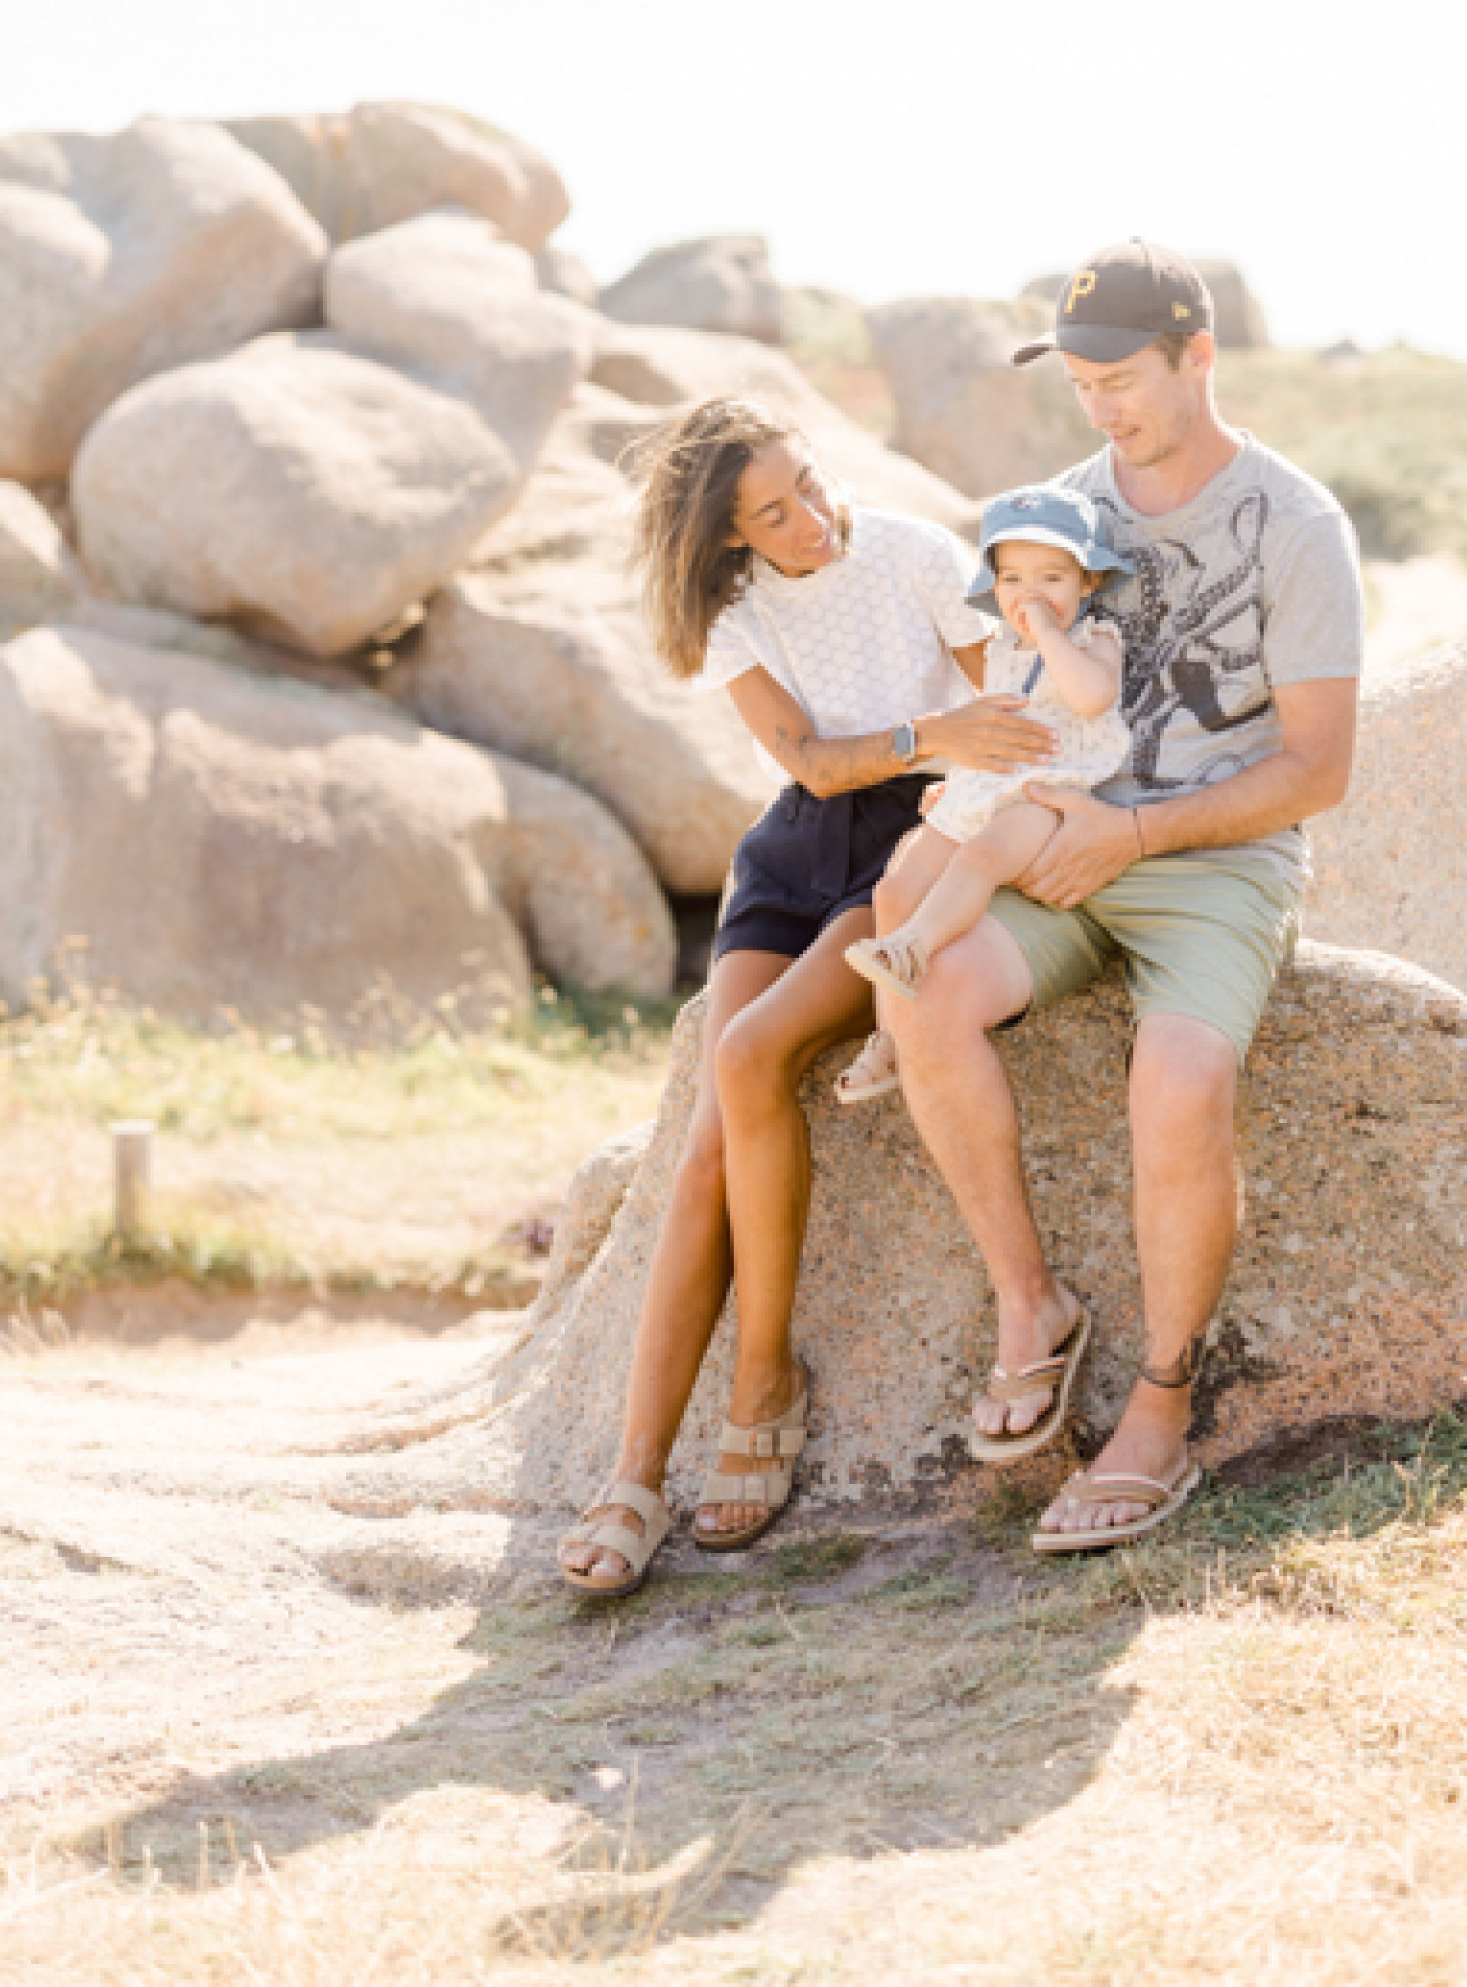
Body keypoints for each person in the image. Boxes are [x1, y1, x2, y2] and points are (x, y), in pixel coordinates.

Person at [876, 241, 1363, 1550]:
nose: (1100, 408)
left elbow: (1318, 770)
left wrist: (1137, 834)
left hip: (1212, 854)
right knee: (924, 993)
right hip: (1052, 840)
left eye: (1122, 378)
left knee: (1183, 1085)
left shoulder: (1296, 525)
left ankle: (1160, 1407)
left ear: (1197, 356)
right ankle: (1030, 1308)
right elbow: (1011, 682)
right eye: (1079, 382)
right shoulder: (1058, 514)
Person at [557, 397, 1053, 1599]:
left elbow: (1007, 726)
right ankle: (635, 1470)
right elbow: (815, 765)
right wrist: (928, 726)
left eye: (812, 484)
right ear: (730, 537)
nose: (814, 518)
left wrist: (943, 764)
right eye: (773, 513)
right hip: (788, 857)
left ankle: (761, 1383)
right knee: (702, 1155)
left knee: (748, 1052)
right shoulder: (735, 615)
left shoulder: (917, 555)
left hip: (905, 845)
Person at [838, 487, 1131, 1086]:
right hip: (987, 788)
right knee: (894, 888)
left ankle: (915, 947)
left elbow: (1091, 697)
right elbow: (993, 728)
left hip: (1050, 795)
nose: (1033, 594)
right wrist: (958, 782)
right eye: (1015, 579)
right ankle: (889, 1037)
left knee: (983, 855)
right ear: (996, 590)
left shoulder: (1093, 641)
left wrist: (1049, 634)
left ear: (1088, 584)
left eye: (1053, 577)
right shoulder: (1000, 649)